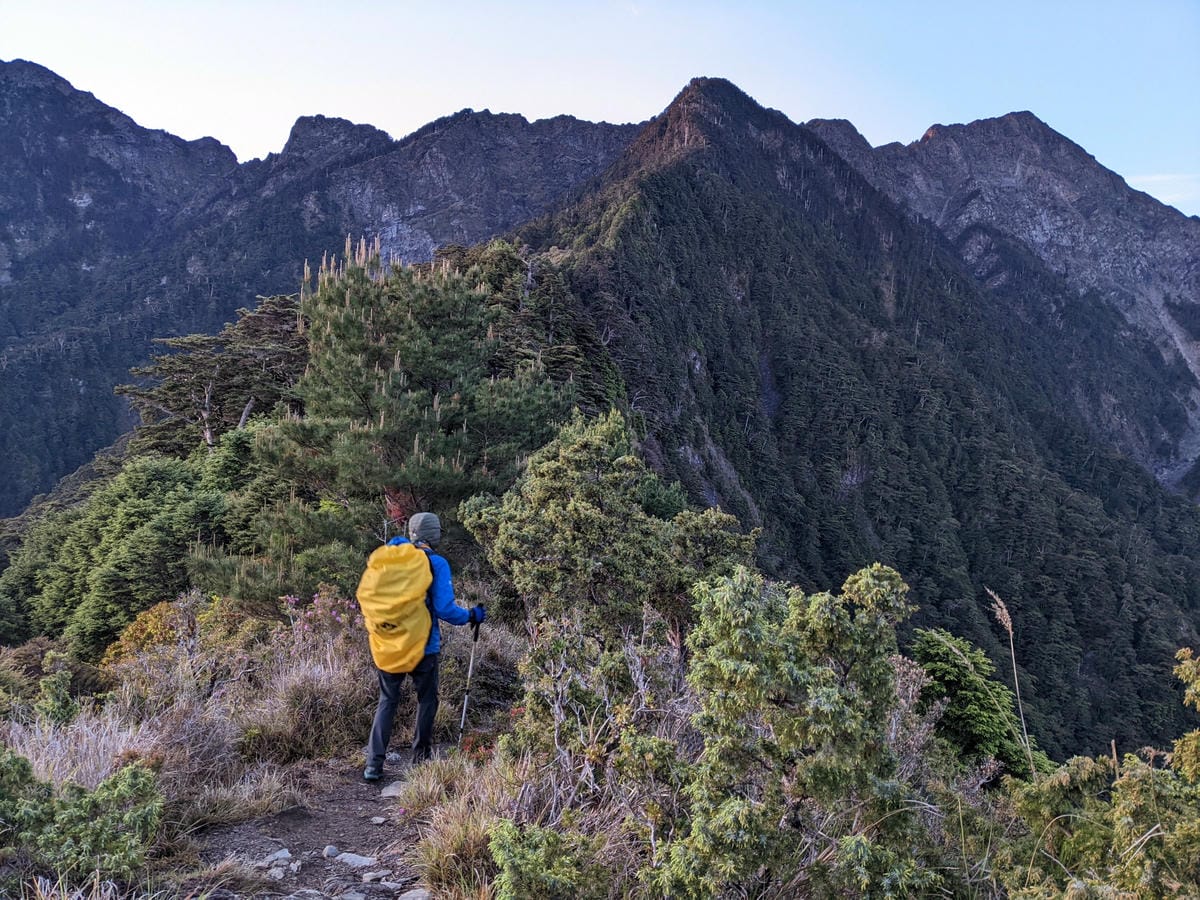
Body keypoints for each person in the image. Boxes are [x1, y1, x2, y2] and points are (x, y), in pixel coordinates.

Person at [363, 512, 484, 781]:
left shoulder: (389, 559)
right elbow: (444, 609)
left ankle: (373, 764)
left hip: (389, 645)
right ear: (434, 534)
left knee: (387, 701)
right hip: (423, 647)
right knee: (427, 699)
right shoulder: (436, 563)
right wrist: (471, 615)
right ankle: (421, 759)